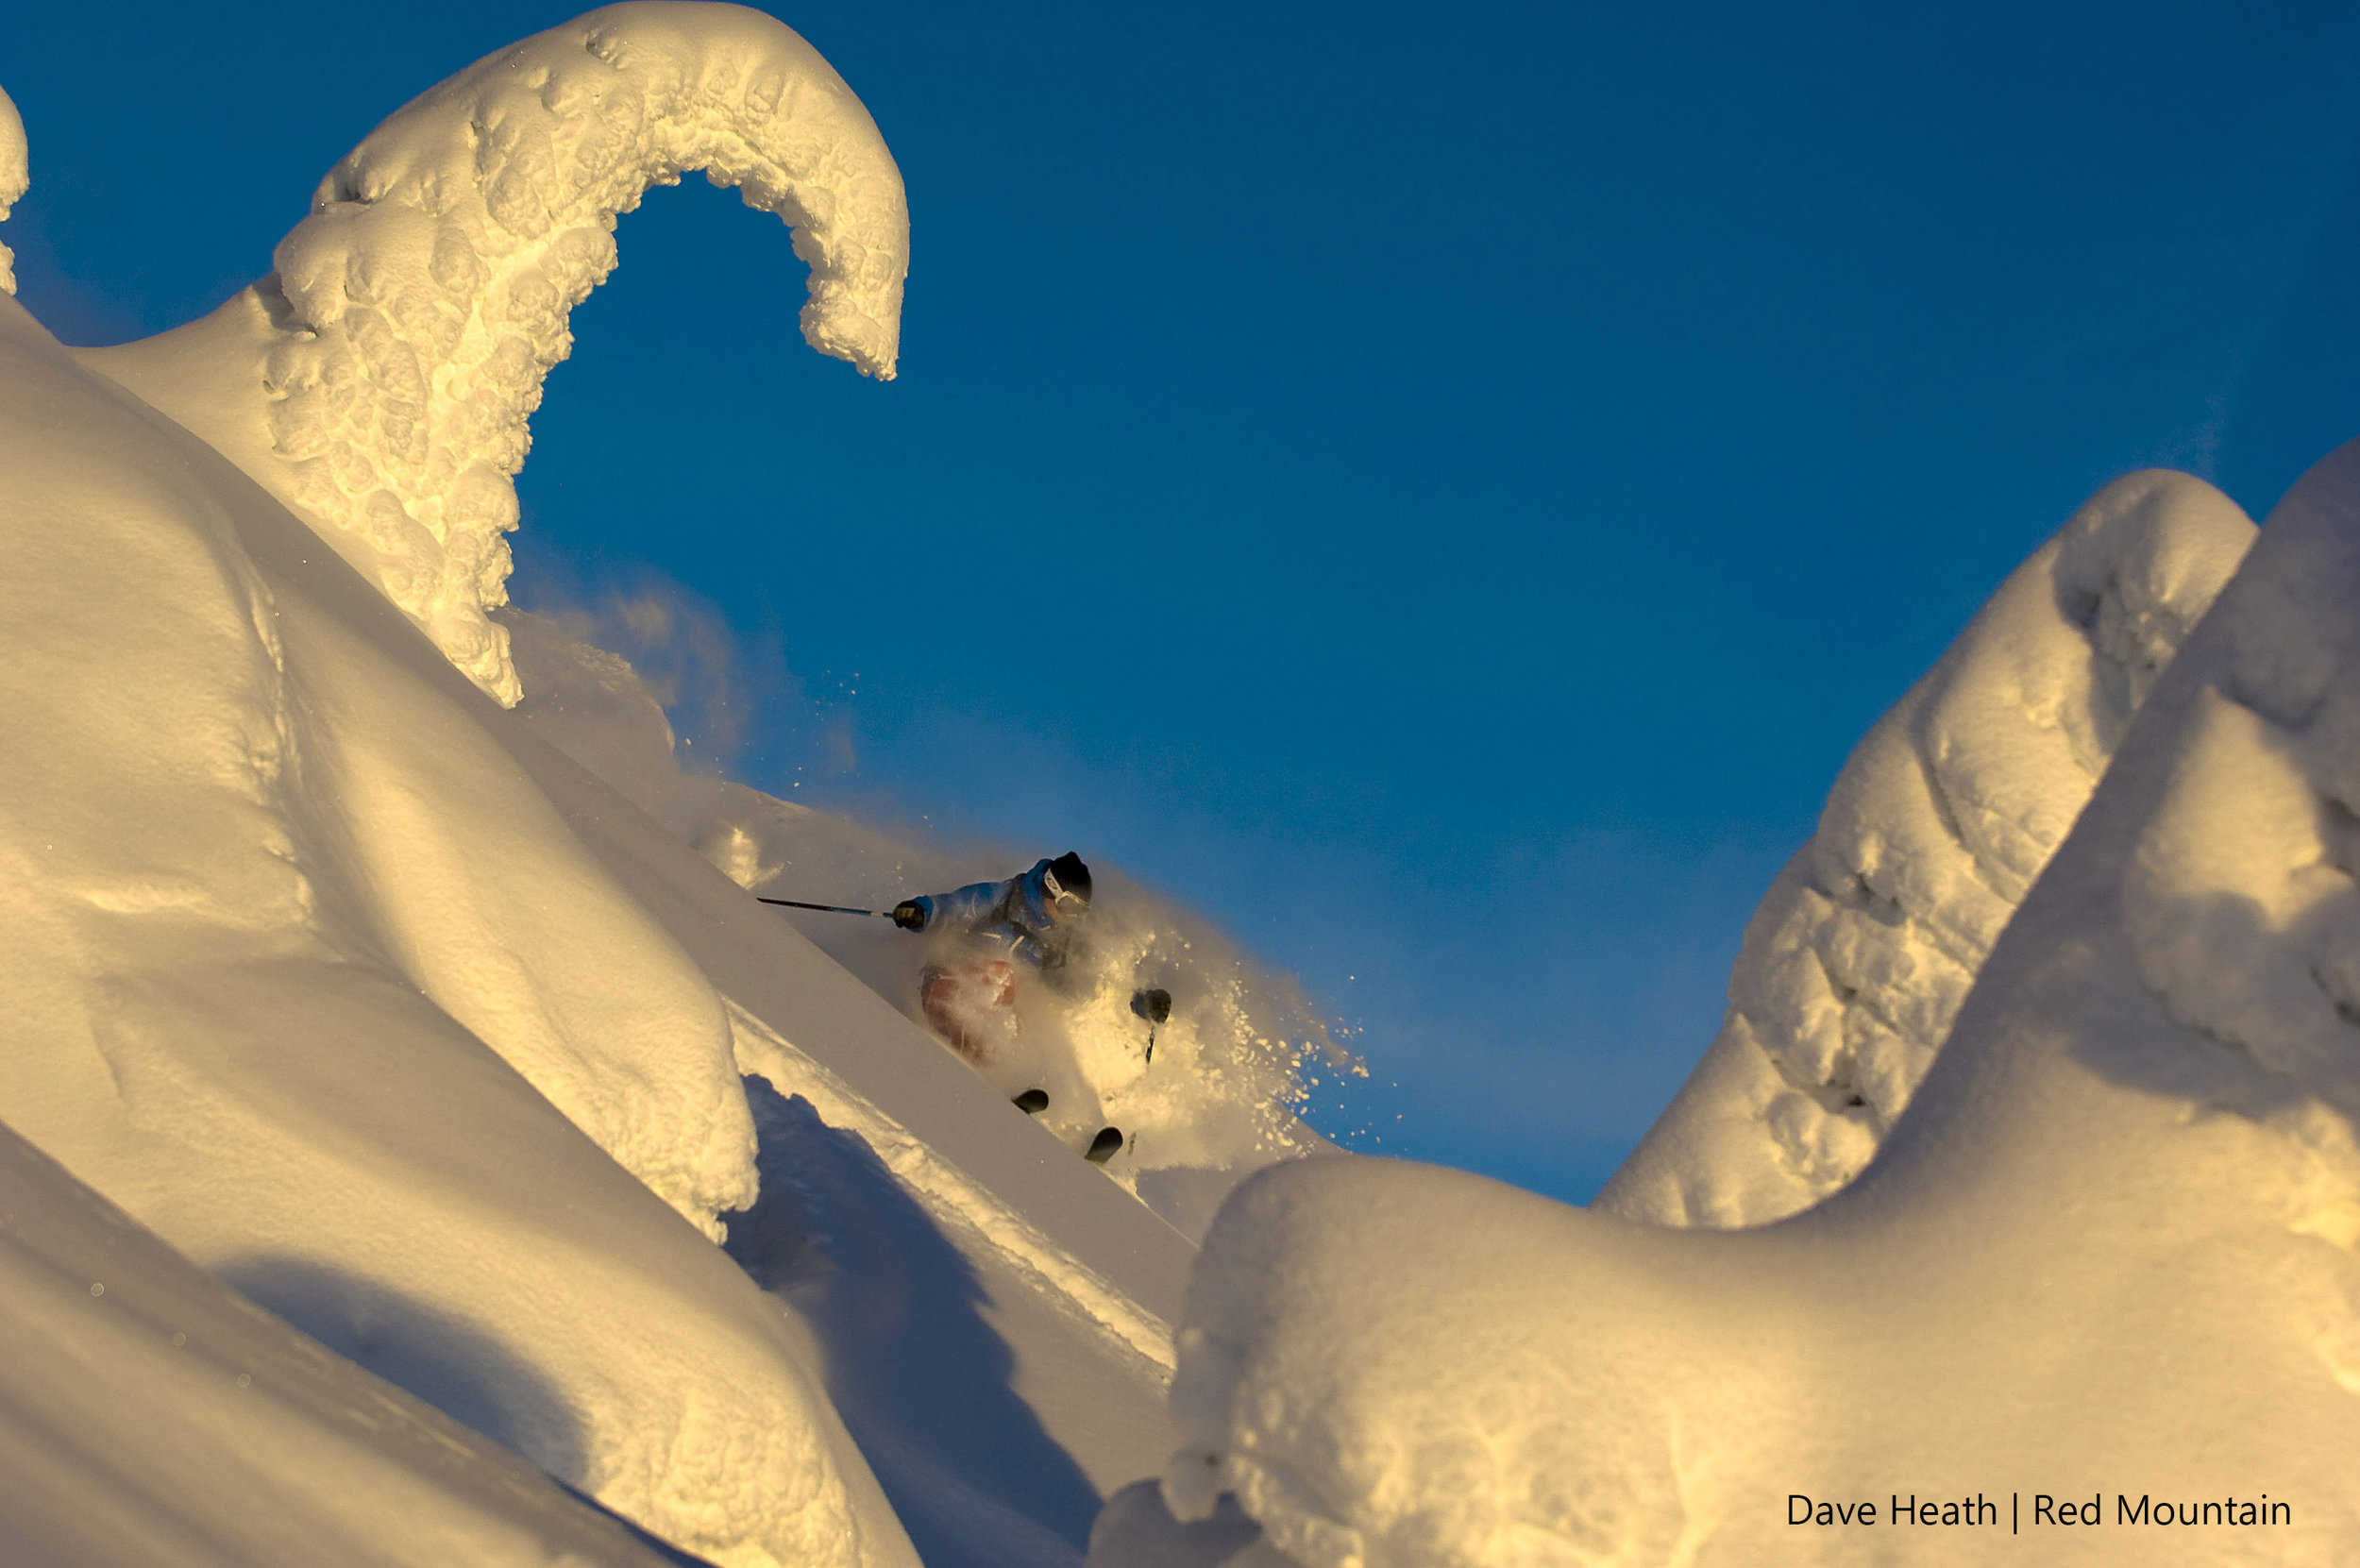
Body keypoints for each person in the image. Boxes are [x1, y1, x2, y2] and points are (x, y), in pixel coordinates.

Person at [894, 852, 1091, 1067]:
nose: (1070, 917)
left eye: (1079, 911)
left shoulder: (1057, 943)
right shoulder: (1005, 899)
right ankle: (967, 1065)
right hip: (946, 984)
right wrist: (923, 912)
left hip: (994, 1014)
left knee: (1028, 1022)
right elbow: (957, 905)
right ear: (1051, 887)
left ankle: (1007, 1081)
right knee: (1000, 973)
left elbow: (1070, 983)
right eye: (1069, 906)